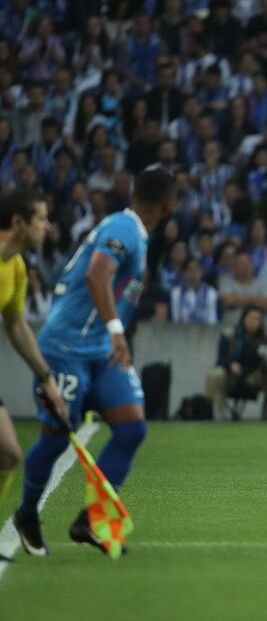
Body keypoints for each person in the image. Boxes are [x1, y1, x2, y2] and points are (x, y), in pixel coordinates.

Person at [14, 168, 175, 557]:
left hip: (100, 349)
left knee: (132, 428)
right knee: (56, 437)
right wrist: (118, 330)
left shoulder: (132, 230)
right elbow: (96, 274)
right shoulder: (123, 228)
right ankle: (27, 513)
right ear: (168, 204)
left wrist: (111, 334)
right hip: (66, 346)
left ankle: (90, 520)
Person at [0, 190, 68, 563]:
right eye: (41, 219)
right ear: (18, 222)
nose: (48, 226)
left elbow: (16, 325)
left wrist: (45, 377)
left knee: (8, 452)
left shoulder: (16, 267)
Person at [205, 306, 267, 421]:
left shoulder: (265, 338)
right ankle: (220, 410)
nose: (254, 322)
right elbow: (220, 359)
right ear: (243, 319)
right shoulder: (229, 334)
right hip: (232, 376)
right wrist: (231, 364)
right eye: (251, 318)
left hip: (254, 376)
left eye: (257, 319)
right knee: (216, 374)